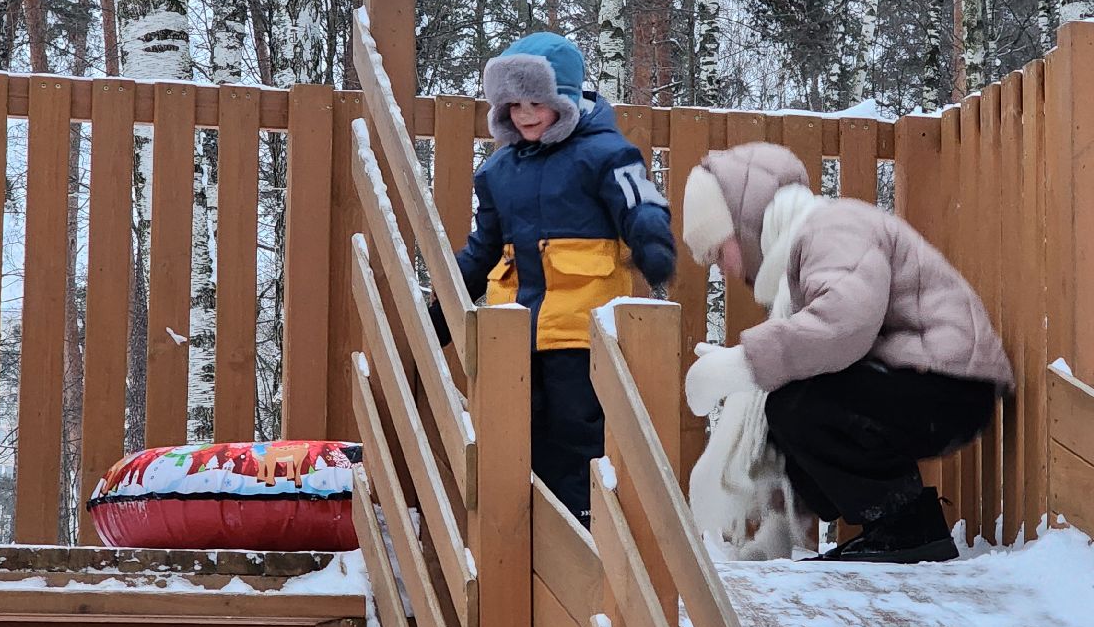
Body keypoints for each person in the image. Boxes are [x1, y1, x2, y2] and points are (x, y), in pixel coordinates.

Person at [679, 142, 1012, 563]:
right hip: (928, 382)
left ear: (741, 222)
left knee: (795, 405)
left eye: (718, 249)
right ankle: (881, 527)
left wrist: (742, 364)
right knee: (787, 402)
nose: (723, 268)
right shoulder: (805, 245)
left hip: (951, 386)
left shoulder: (831, 227)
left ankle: (908, 526)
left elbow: (843, 325)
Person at [434, 33, 675, 524]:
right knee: (516, 428)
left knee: (577, 426)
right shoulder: (499, 169)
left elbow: (641, 204)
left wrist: (652, 244)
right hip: (514, 327)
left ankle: (585, 521)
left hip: (579, 327)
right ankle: (530, 531)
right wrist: (445, 303)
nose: (524, 114)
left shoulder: (607, 154)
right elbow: (484, 247)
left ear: (565, 98)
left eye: (537, 102)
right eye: (514, 103)